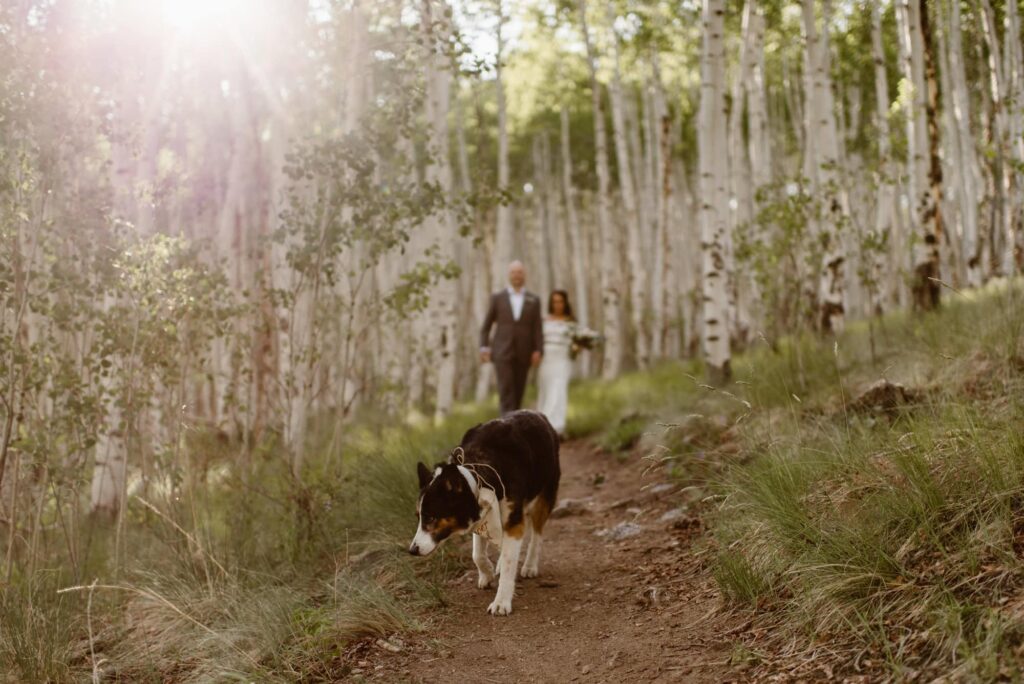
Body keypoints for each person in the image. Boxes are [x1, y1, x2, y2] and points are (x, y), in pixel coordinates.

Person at [479, 261, 544, 415]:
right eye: (514, 272)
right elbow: (486, 326)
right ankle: (506, 424)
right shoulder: (497, 298)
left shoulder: (534, 300)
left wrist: (538, 350)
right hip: (501, 351)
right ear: (509, 275)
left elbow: (537, 328)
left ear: (524, 275)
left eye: (520, 272)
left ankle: (515, 424)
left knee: (519, 389)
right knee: (506, 389)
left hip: (524, 351)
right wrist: (484, 347)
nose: (517, 276)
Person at [536, 290, 574, 436]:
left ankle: (557, 427)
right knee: (546, 390)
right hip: (546, 360)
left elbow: (574, 344)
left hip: (563, 359)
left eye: (560, 301)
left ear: (565, 303)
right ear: (551, 304)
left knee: (559, 390)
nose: (558, 305)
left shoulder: (570, 322)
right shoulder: (544, 321)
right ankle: (543, 426)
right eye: (555, 301)